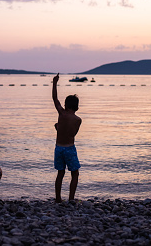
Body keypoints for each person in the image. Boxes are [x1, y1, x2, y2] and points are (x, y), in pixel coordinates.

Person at [52, 73, 82, 203]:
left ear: (65, 104)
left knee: (60, 173)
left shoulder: (62, 113)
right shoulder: (78, 120)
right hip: (69, 149)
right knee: (74, 173)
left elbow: (54, 98)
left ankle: (58, 198)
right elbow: (72, 135)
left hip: (58, 148)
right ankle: (71, 198)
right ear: (76, 106)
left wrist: (54, 83)